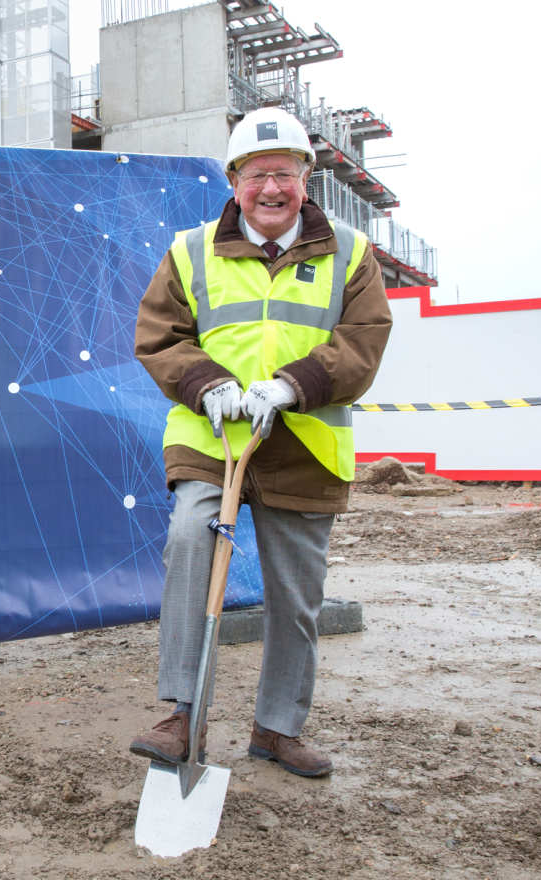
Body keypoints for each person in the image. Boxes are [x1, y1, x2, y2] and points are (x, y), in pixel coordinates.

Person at [128, 106, 392, 777]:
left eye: (286, 174)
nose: (272, 188)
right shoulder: (190, 250)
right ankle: (184, 714)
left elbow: (362, 346)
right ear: (234, 180)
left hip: (303, 439)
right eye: (257, 175)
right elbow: (160, 337)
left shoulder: (352, 256)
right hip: (212, 435)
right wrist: (208, 384)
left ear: (307, 180)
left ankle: (277, 728)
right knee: (191, 539)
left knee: (296, 591)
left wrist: (291, 387)